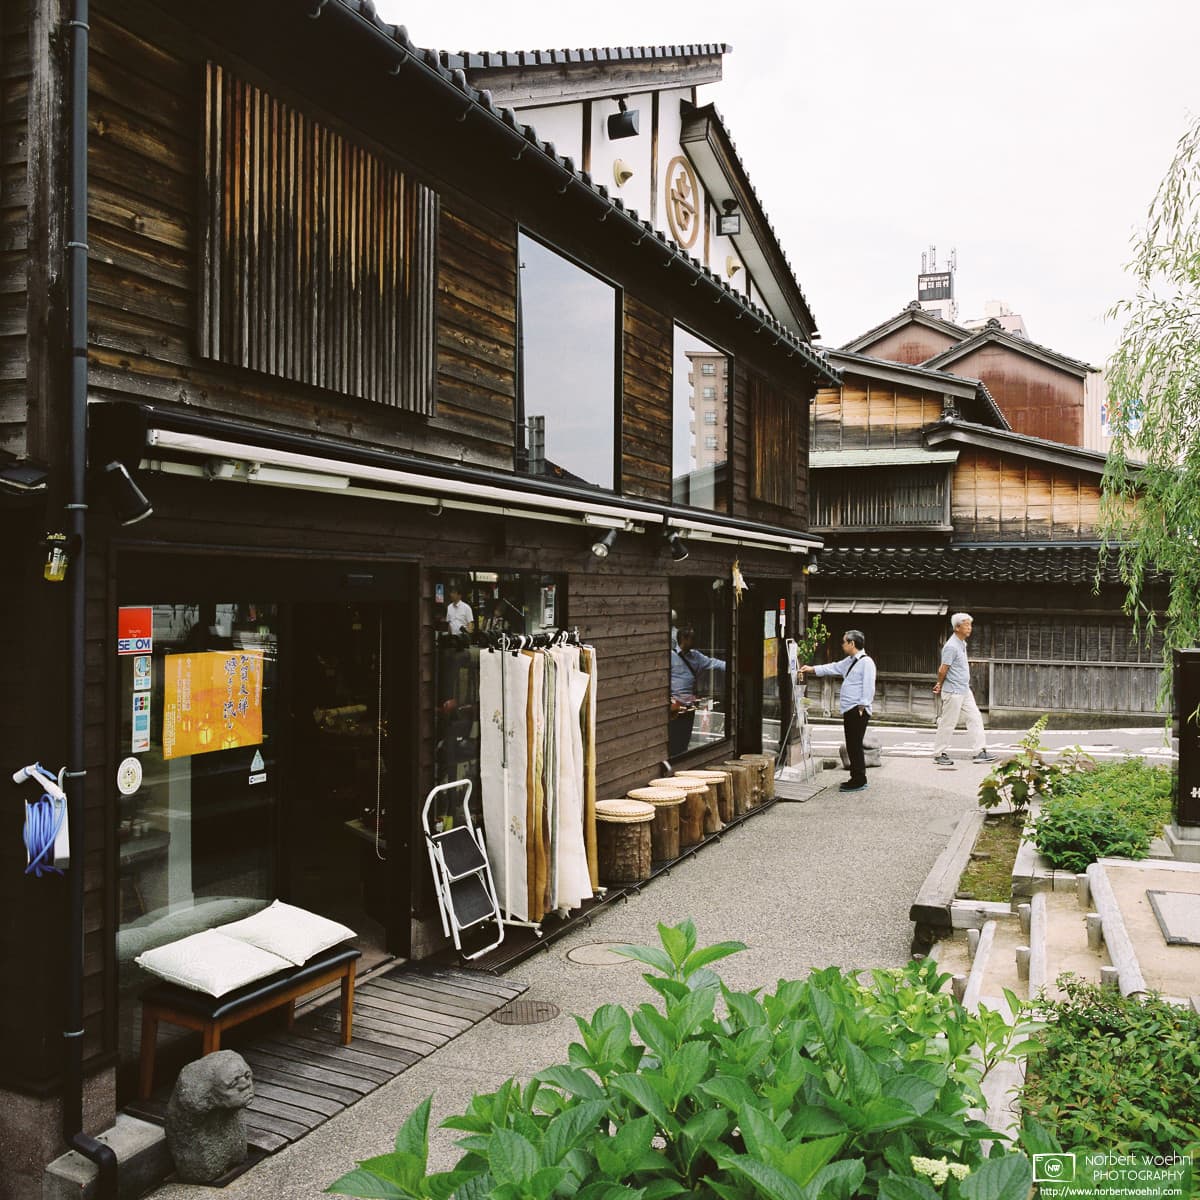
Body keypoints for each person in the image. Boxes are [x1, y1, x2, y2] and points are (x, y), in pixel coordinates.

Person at [800, 629, 875, 792]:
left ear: (852, 643)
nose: (842, 645)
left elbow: (869, 686)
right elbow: (833, 667)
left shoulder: (866, 662)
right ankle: (856, 777)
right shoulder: (850, 661)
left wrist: (862, 706)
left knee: (855, 745)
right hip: (850, 709)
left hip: (857, 709)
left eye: (844, 642)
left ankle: (859, 780)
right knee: (852, 744)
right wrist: (812, 669)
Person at [931, 611, 994, 767]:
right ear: (957, 627)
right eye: (966, 625)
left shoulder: (962, 644)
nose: (969, 628)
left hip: (964, 689)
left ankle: (980, 751)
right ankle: (939, 753)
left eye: (970, 624)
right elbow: (942, 669)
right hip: (953, 690)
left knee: (975, 718)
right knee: (948, 723)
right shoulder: (951, 646)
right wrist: (939, 683)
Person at [669, 625, 727, 757]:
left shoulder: (696, 656)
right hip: (674, 706)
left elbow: (715, 663)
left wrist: (735, 664)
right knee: (673, 740)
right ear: (683, 638)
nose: (694, 641)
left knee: (684, 739)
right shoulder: (670, 656)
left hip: (688, 705)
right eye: (692, 638)